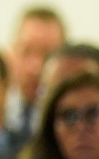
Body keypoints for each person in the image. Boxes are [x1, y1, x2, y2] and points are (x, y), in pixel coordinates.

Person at [4, 6, 66, 137]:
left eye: (48, 54)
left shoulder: (69, 120)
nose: (35, 68)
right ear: (10, 55)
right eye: (26, 52)